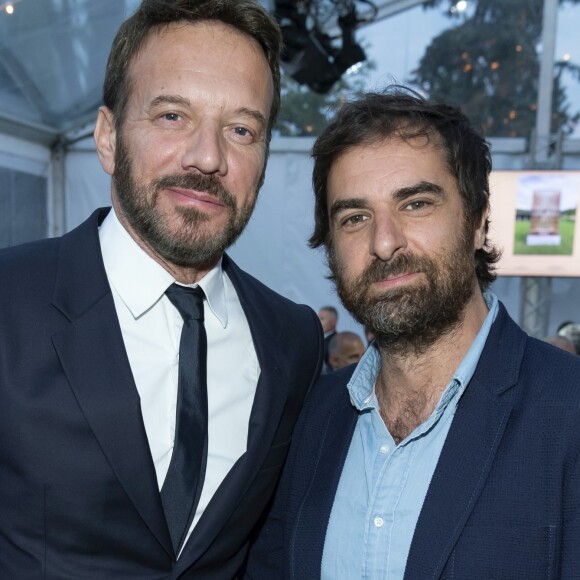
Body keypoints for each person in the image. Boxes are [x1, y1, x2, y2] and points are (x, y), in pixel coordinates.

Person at [0, 1, 323, 578]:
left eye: (242, 129)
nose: (208, 158)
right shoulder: (9, 299)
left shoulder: (293, 339)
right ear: (107, 137)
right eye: (173, 116)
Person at [244, 87, 580, 579]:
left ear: (478, 221)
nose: (384, 242)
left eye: (417, 203)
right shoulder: (308, 418)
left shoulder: (568, 409)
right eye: (355, 217)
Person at [318, 305, 338, 370]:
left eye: (322, 319)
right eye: (318, 318)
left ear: (333, 322)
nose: (318, 322)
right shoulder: (317, 338)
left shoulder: (337, 342)